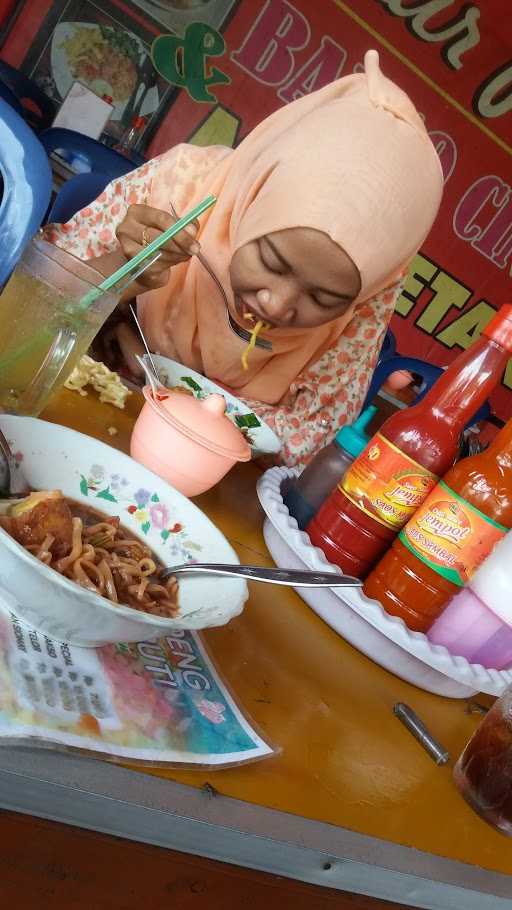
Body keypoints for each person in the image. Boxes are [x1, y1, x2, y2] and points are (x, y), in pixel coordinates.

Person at [44, 50, 443, 467]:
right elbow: (36, 307)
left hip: (210, 471)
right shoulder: (184, 188)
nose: (275, 304)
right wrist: (122, 273)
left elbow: (314, 436)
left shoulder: (369, 300)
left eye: (324, 299)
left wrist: (177, 396)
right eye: (272, 261)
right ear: (252, 198)